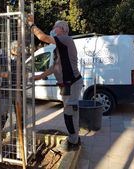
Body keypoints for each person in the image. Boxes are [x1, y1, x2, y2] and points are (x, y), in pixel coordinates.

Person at [27, 15, 83, 151]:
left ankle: (74, 141)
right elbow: (54, 68)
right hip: (66, 85)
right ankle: (74, 137)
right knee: (69, 113)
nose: (52, 29)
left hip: (72, 84)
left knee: (69, 113)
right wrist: (39, 77)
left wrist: (31, 25)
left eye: (55, 27)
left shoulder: (66, 39)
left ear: (63, 29)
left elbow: (43, 37)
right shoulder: (59, 48)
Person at [0, 41, 22, 139]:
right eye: (19, 49)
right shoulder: (2, 58)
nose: (21, 51)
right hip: (5, 89)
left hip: (17, 89)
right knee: (3, 111)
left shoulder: (21, 58)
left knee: (20, 110)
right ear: (13, 49)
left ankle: (20, 128)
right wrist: (3, 74)